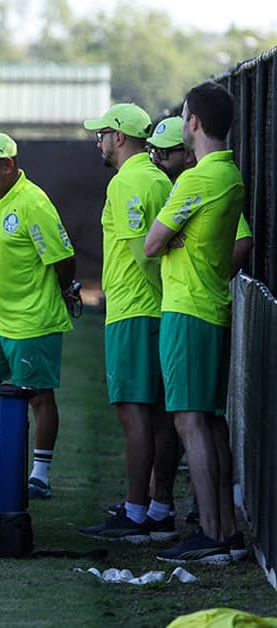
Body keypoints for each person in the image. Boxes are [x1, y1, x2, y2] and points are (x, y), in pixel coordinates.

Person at [145, 82, 245, 564]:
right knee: (210, 422)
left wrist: (173, 240)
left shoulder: (196, 179)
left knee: (188, 422)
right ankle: (224, 527)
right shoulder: (230, 175)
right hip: (213, 308)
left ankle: (211, 532)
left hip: (187, 309)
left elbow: (152, 242)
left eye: (184, 117)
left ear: (194, 124)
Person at [75, 104, 179, 542]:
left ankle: (136, 514)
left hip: (135, 311)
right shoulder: (158, 177)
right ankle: (159, 506)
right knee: (160, 416)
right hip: (156, 310)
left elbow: (144, 254)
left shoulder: (127, 181)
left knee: (133, 413)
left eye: (101, 133)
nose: (98, 141)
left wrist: (163, 296)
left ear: (119, 136)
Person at [0, 132, 77, 500]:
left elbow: (63, 259)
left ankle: (39, 474)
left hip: (33, 320)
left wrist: (60, 291)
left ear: (8, 166)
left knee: (38, 396)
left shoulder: (34, 203)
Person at [147, 116, 254, 275]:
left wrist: (214, 279)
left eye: (163, 152)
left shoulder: (205, 185)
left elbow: (243, 242)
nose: (155, 159)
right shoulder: (172, 186)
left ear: (188, 154)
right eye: (152, 151)